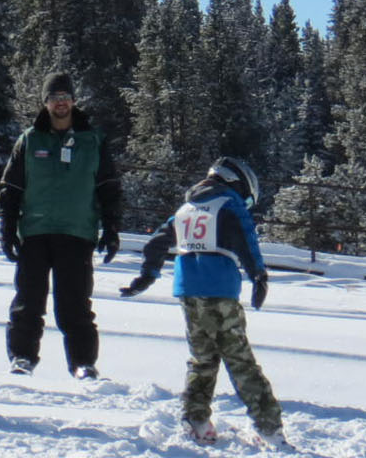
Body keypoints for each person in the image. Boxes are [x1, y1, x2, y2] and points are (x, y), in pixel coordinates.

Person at [120, 157, 286, 448]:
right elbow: (247, 239)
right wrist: (258, 274)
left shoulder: (186, 208)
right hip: (219, 288)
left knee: (203, 357)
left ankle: (196, 420)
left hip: (188, 290)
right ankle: (269, 428)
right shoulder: (229, 203)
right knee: (240, 360)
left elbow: (157, 241)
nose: (245, 201)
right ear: (236, 182)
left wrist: (147, 275)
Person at [0, 72, 121, 378]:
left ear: (74, 101)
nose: (60, 103)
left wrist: (112, 229)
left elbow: (109, 189)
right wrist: (8, 229)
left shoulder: (92, 141)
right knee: (28, 301)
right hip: (35, 234)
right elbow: (10, 190)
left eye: (65, 97)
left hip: (77, 233)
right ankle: (22, 358)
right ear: (46, 103)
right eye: (54, 98)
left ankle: (83, 364)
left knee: (75, 304)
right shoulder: (29, 140)